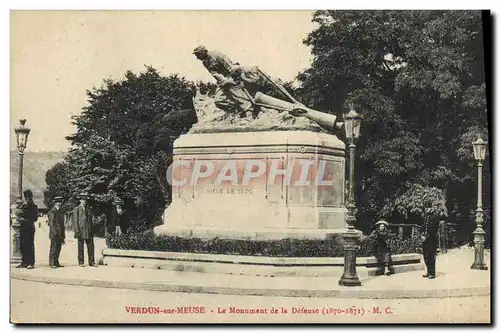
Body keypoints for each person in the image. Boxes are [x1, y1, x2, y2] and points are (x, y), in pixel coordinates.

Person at [193, 45, 253, 115]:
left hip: (233, 76)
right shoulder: (205, 62)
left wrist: (233, 79)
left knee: (236, 92)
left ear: (203, 52)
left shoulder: (217, 55)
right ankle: (236, 111)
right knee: (218, 100)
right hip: (223, 82)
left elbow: (230, 67)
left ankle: (249, 112)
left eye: (198, 54)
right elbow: (214, 74)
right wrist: (224, 81)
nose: (197, 57)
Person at [72, 194, 97, 267]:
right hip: (81, 231)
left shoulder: (88, 209)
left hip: (89, 231)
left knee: (91, 247)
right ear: (80, 200)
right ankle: (81, 262)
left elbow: (91, 221)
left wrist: (92, 230)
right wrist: (77, 231)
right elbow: (75, 221)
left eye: (85, 200)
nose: (84, 201)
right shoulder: (77, 209)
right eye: (83, 200)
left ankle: (92, 262)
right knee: (80, 247)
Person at [16, 189, 38, 269]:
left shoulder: (33, 207)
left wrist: (24, 219)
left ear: (31, 198)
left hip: (29, 227)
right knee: (22, 245)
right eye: (26, 198)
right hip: (23, 227)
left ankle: (31, 263)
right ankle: (24, 262)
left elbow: (35, 218)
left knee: (29, 245)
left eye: (28, 198)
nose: (27, 199)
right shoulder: (23, 206)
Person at [421, 202, 439, 279]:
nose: (427, 209)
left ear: (431, 208)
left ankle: (432, 273)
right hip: (425, 239)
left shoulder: (435, 216)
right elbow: (423, 226)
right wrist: (421, 234)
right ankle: (428, 272)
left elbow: (434, 229)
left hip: (431, 239)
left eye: (428, 208)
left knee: (431, 255)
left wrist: (427, 236)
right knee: (426, 256)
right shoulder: (425, 216)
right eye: (426, 208)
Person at [48, 196, 65, 269]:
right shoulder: (53, 211)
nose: (59, 203)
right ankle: (52, 263)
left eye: (60, 202)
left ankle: (56, 262)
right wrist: (55, 233)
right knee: (54, 248)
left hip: (60, 233)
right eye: (58, 202)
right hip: (55, 233)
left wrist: (62, 235)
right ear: (55, 203)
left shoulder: (60, 211)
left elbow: (62, 224)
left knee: (58, 248)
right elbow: (51, 223)